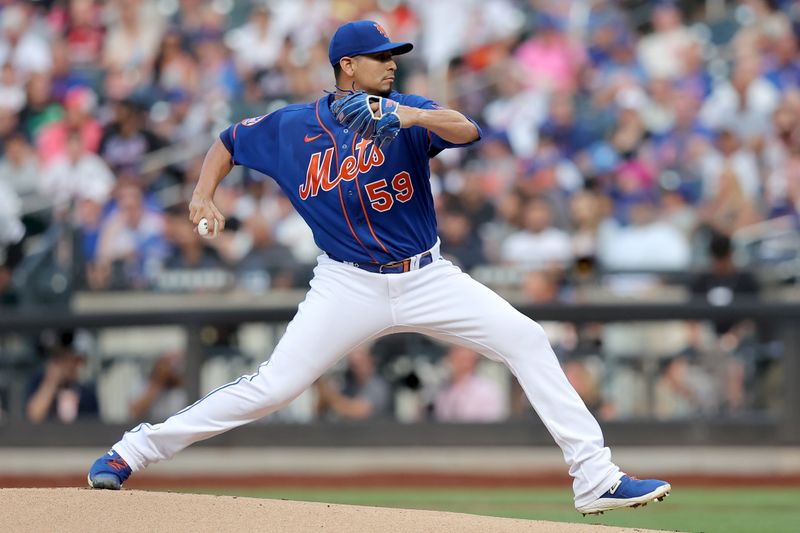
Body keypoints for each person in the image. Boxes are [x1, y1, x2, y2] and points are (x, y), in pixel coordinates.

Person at [88, 20, 671, 515]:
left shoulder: (407, 108)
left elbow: (467, 129)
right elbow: (229, 141)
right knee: (272, 387)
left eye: (394, 56)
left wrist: (411, 119)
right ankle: (132, 452)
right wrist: (202, 193)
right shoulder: (293, 128)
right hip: (347, 282)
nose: (392, 65)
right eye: (380, 58)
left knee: (526, 338)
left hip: (427, 275)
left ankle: (594, 477)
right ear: (347, 66)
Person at [315, 346, 390, 421]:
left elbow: (358, 411)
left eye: (360, 362)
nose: (357, 367)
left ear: (370, 360)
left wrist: (327, 391)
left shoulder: (377, 386)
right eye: (353, 365)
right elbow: (320, 410)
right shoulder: (349, 383)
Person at [433, 346, 505, 422]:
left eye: (462, 359)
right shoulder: (443, 389)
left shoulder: (486, 390)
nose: (457, 363)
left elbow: (492, 422)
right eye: (455, 358)